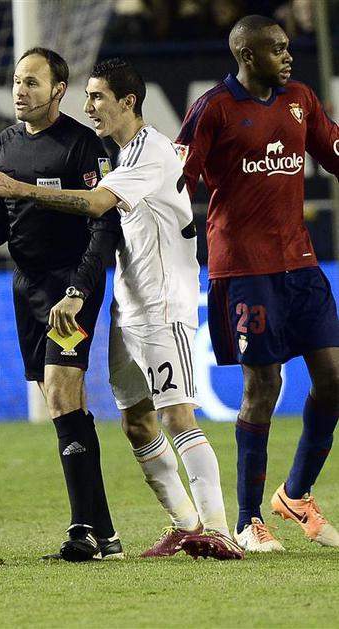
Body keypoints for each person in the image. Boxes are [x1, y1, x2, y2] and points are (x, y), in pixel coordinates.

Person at [0, 57, 244, 561]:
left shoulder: (150, 152)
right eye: (88, 96)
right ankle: (185, 525)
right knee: (136, 421)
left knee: (177, 416)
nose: (89, 106)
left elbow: (96, 207)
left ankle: (219, 530)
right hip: (127, 306)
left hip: (162, 305)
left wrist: (19, 190)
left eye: (97, 97)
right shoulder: (123, 154)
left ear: (128, 102)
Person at [176, 14, 339, 552]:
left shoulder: (301, 100)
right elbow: (178, 181)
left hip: (301, 264)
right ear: (247, 55)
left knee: (334, 379)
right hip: (244, 270)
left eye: (288, 48)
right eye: (277, 49)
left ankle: (296, 494)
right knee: (262, 387)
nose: (288, 57)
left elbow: (333, 152)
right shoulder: (214, 108)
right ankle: (248, 520)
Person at [0, 48, 123, 562]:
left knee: (61, 393)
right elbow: (3, 214)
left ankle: (82, 530)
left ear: (58, 90)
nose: (20, 91)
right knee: (64, 402)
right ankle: (105, 535)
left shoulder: (84, 146)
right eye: (16, 81)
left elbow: (103, 226)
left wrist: (79, 291)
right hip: (27, 288)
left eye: (32, 82)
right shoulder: (6, 142)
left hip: (71, 287)